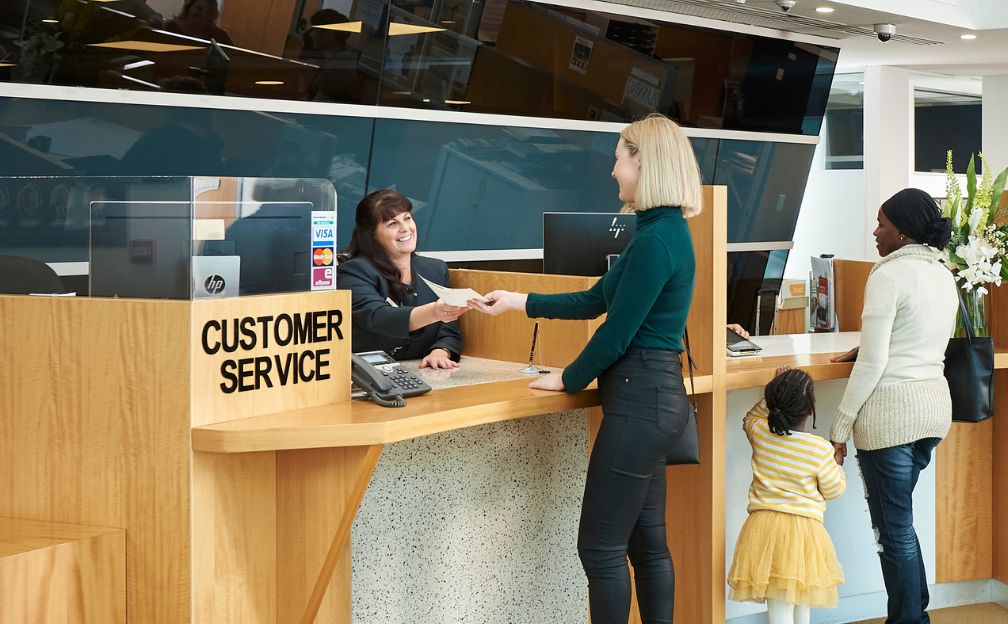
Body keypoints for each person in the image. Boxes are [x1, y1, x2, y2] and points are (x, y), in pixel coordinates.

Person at [468, 115, 702, 624]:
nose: (613, 170)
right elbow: (597, 297)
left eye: (619, 157)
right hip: (655, 403)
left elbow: (616, 332)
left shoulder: (657, 240)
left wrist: (568, 378)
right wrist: (518, 300)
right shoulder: (661, 231)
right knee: (647, 546)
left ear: (643, 160)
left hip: (641, 403)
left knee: (599, 548)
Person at [826, 188, 957, 624]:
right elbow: (914, 335)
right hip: (932, 411)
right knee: (899, 523)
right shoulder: (943, 271)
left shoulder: (887, 275)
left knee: (893, 528)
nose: (875, 231)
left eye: (881, 223)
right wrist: (865, 346)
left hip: (891, 418)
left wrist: (838, 429)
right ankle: (912, 614)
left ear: (901, 232)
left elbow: (876, 363)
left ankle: (910, 620)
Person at [729, 369, 847, 624]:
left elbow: (750, 417)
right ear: (811, 410)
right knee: (801, 597)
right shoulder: (819, 449)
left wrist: (770, 395)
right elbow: (834, 490)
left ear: (772, 405)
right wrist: (837, 464)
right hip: (804, 532)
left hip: (764, 528)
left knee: (780, 603)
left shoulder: (760, 433)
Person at [338, 190, 466, 368]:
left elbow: (448, 330)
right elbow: (377, 317)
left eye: (407, 218)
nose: (405, 228)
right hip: (367, 376)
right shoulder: (353, 271)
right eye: (392, 223)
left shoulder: (435, 269)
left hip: (424, 373)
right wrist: (434, 311)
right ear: (372, 235)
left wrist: (440, 351)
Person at [162, 0, 235, 46]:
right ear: (189, 8)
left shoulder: (220, 36)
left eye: (208, 11)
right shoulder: (171, 28)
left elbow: (236, 58)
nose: (203, 14)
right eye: (199, 8)